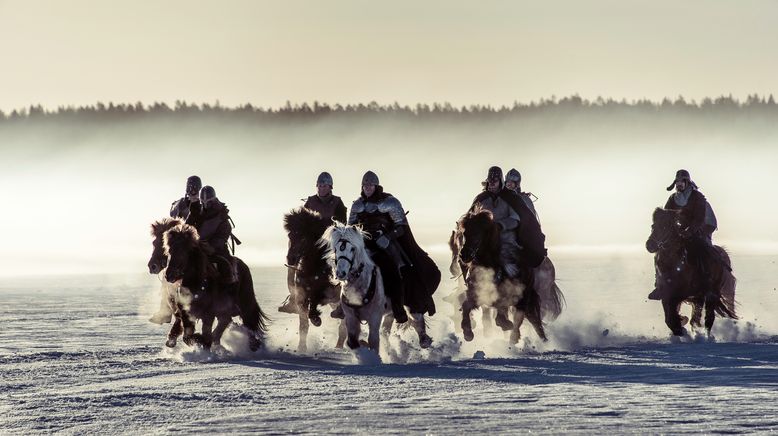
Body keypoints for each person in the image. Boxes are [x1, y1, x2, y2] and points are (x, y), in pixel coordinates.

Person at [346, 170, 439, 323]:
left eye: (370, 185)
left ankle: (398, 308)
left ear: (376, 186)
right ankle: (344, 305)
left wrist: (387, 237)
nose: (367, 188)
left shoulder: (389, 202)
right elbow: (351, 228)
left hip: (386, 244)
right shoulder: (357, 205)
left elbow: (401, 226)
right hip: (364, 244)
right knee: (346, 267)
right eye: (365, 185)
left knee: (397, 270)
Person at [279, 171, 348, 314]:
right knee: (292, 261)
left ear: (330, 187)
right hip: (312, 243)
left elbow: (342, 224)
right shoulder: (310, 202)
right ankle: (293, 298)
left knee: (342, 262)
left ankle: (343, 298)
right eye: (319, 185)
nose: (321, 188)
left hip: (329, 243)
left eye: (324, 186)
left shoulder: (337, 202)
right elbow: (302, 222)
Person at [648, 169, 718, 300]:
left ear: (687, 182)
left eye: (681, 181)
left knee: (702, 252)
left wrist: (690, 231)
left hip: (700, 231)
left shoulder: (698, 197)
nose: (679, 184)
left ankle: (708, 287)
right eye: (677, 182)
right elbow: (667, 216)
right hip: (680, 233)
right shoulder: (673, 198)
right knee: (661, 253)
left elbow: (699, 218)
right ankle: (659, 285)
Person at [186, 185, 238, 289]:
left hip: (216, 249)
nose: (205, 204)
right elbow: (187, 227)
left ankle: (229, 296)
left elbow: (224, 231)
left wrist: (211, 246)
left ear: (213, 200)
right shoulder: (196, 212)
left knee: (225, 266)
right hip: (197, 248)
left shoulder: (221, 214)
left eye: (208, 202)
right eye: (203, 202)